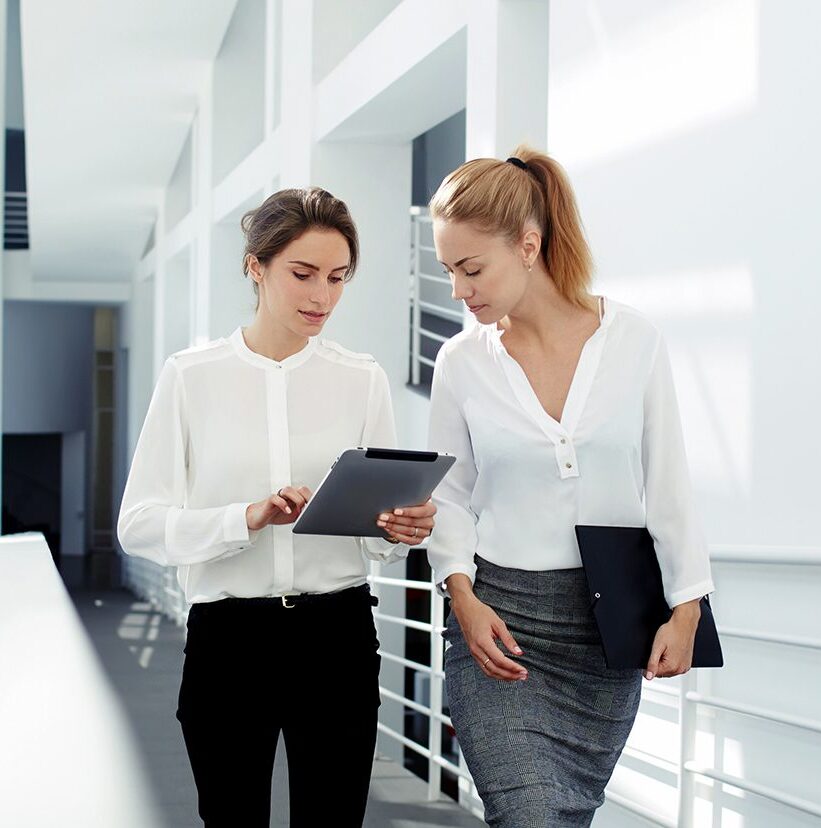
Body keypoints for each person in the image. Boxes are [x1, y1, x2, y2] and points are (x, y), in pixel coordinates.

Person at [117, 187, 436, 828]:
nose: (322, 295)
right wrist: (246, 518)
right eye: (303, 273)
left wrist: (402, 528)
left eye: (338, 277)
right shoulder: (190, 376)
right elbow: (138, 524)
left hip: (338, 637)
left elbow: (379, 535)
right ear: (255, 267)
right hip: (229, 642)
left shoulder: (362, 378)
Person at [425, 148, 714, 827]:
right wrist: (461, 596)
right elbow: (450, 495)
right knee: (527, 816)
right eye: (447, 272)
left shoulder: (634, 340)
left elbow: (668, 478)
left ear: (529, 245)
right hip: (499, 630)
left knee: (564, 817)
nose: (459, 291)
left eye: (471, 269)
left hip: (605, 628)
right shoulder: (461, 362)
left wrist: (688, 606)